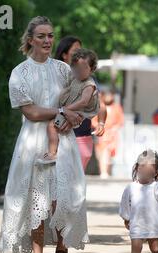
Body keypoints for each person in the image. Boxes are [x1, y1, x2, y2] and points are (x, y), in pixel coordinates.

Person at [0, 17, 88, 253]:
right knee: (35, 200)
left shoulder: (63, 69)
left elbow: (80, 97)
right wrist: (62, 111)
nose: (47, 41)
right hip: (32, 142)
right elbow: (32, 112)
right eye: (41, 36)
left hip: (63, 139)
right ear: (30, 40)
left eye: (50, 36)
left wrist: (76, 114)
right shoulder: (20, 73)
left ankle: (61, 248)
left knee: (60, 198)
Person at [36, 48, 100, 164]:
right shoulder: (76, 80)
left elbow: (84, 102)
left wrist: (65, 109)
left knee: (51, 126)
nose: (79, 71)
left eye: (83, 68)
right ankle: (56, 152)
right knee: (57, 129)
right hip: (71, 111)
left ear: (92, 69)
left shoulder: (89, 85)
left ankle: (52, 153)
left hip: (77, 113)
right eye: (77, 69)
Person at [54, 36, 107, 170]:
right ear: (64, 55)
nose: (79, 54)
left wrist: (101, 122)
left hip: (81, 137)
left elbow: (100, 104)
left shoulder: (87, 78)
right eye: (75, 51)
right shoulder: (54, 77)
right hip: (58, 136)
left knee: (75, 182)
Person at [92, 91, 124, 178]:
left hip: (112, 134)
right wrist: (99, 126)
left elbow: (120, 120)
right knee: (101, 153)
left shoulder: (117, 108)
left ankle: (106, 171)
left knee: (109, 153)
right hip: (101, 133)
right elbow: (93, 121)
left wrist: (115, 128)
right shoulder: (99, 107)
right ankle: (103, 171)